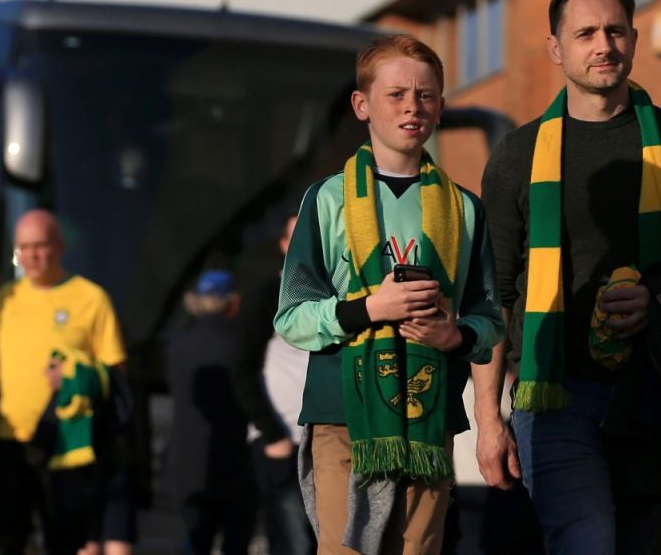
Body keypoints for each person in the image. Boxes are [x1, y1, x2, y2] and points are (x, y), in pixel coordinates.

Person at [479, 0, 661, 555]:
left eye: (615, 30)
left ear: (633, 37)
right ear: (556, 49)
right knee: (586, 544)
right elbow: (493, 295)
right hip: (555, 396)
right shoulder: (516, 157)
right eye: (585, 34)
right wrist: (489, 419)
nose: (603, 45)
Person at [274, 34, 504, 555]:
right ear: (363, 105)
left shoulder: (465, 210)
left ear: (441, 106)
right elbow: (291, 316)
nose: (411, 107)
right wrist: (369, 309)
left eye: (425, 95)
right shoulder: (327, 198)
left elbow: (489, 319)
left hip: (429, 417)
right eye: (396, 94)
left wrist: (455, 333)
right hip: (342, 413)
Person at [0, 209, 131, 555]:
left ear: (59, 247)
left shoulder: (90, 298)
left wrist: (77, 378)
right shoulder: (2, 301)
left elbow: (117, 375)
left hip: (67, 444)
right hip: (11, 441)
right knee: (5, 539)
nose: (31, 256)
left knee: (66, 540)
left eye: (40, 245)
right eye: (23, 248)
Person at [233, 216, 312, 555]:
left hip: (329, 442)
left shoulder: (337, 295)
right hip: (283, 443)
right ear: (283, 246)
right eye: (296, 239)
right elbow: (242, 369)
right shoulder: (267, 297)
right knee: (293, 543)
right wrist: (271, 434)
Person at [164, 270, 255, 555]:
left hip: (188, 466)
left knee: (195, 539)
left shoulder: (177, 346)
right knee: (235, 544)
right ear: (233, 302)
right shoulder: (242, 346)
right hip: (236, 465)